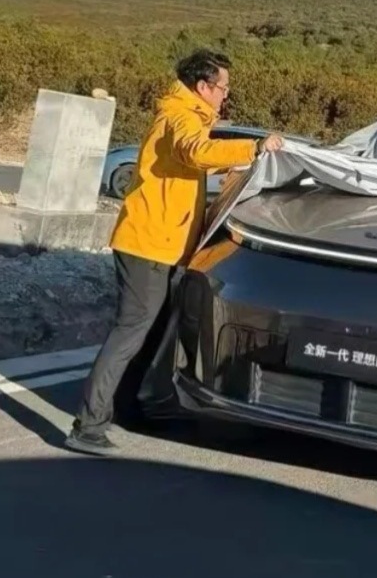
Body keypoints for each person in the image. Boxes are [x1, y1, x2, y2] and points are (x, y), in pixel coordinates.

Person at [65, 48, 284, 455]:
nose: (226, 95)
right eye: (223, 87)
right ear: (203, 86)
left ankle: (129, 406)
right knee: (131, 330)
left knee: (152, 330)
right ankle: (87, 425)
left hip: (165, 246)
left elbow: (191, 163)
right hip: (147, 244)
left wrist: (234, 165)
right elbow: (194, 152)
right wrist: (252, 148)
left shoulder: (189, 117)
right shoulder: (180, 116)